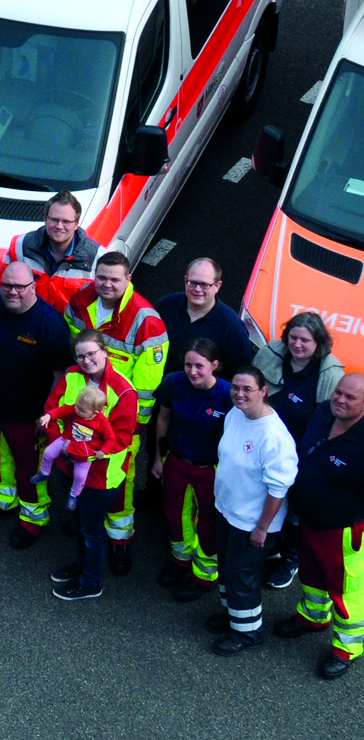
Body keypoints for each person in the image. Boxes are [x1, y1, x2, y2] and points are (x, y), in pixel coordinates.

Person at [65, 250, 168, 573]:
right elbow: (73, 344)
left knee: (120, 484)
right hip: (82, 413)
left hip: (119, 424)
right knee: (78, 470)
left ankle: (120, 542)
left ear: (128, 280)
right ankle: (85, 523)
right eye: (102, 277)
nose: (106, 285)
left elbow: (146, 386)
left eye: (114, 279)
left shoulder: (145, 320)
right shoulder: (82, 299)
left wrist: (134, 427)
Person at [0, 261, 72, 549]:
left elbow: (60, 375)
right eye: (7, 285)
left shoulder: (49, 323)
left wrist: (47, 416)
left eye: (19, 287)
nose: (12, 292)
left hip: (29, 414)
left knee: (31, 470)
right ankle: (2, 500)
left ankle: (33, 519)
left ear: (33, 287)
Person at [274, 373, 364, 679]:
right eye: (339, 392)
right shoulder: (324, 410)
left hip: (342, 530)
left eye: (350, 398)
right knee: (311, 574)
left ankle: (347, 648)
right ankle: (313, 617)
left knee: (345, 590)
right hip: (308, 519)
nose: (340, 399)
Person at [206, 365, 298, 657]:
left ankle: (247, 632)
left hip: (252, 522)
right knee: (227, 568)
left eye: (247, 389)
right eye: (235, 387)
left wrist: (262, 528)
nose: (239, 394)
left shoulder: (274, 437)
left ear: (264, 391)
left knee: (241, 574)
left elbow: (278, 489)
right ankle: (234, 614)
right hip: (228, 510)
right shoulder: (236, 414)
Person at [45, 329, 138, 602]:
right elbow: (54, 411)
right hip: (68, 466)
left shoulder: (124, 392)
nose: (86, 361)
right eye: (80, 355)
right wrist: (63, 446)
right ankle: (83, 566)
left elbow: (121, 440)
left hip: (100, 477)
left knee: (92, 530)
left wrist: (80, 451)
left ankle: (90, 582)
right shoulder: (72, 375)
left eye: (91, 354)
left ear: (105, 352)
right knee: (78, 523)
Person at [255, 311, 345, 589]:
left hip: (302, 456)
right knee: (268, 501)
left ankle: (291, 559)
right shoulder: (271, 356)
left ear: (319, 343)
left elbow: (330, 422)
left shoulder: (328, 374)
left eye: (304, 340)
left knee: (295, 511)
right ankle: (273, 544)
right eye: (293, 337)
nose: (297, 345)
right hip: (266, 449)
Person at [151, 339, 233, 602]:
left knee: (208, 522)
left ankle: (205, 576)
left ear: (215, 365)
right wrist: (157, 458)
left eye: (200, 366)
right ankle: (180, 561)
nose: (193, 371)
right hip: (176, 462)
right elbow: (163, 418)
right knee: (175, 514)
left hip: (210, 468)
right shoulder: (174, 383)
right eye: (188, 364)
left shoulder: (228, 395)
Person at [0, 190, 102, 314]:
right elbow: (3, 288)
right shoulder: (20, 246)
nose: (59, 226)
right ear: (45, 219)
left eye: (66, 222)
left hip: (70, 331)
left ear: (76, 224)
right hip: (26, 325)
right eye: (54, 220)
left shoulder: (97, 257)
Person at [156, 259, 253, 378]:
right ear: (185, 280)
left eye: (204, 285)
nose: (197, 289)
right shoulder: (166, 305)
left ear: (217, 286)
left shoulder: (233, 328)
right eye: (192, 282)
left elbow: (239, 374)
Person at [34, 387, 116, 511]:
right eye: (77, 405)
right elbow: (62, 411)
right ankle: (45, 473)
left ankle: (74, 495)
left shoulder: (102, 423)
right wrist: (49, 416)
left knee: (80, 476)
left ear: (97, 412)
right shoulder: (76, 409)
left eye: (82, 410)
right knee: (48, 453)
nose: (77, 410)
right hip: (67, 440)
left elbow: (110, 439)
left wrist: (103, 451)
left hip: (85, 452)